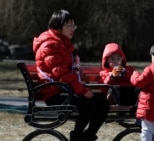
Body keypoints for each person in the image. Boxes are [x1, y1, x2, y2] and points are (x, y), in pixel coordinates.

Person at [32, 9, 110, 141]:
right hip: (54, 94)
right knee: (88, 103)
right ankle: (77, 137)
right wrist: (82, 91)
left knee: (103, 102)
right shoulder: (49, 45)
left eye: (74, 25)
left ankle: (88, 136)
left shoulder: (64, 44)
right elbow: (62, 74)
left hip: (66, 90)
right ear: (58, 25)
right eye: (69, 25)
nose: (72, 29)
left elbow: (69, 73)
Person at [99, 42, 138, 106]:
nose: (116, 62)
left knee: (138, 88)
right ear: (106, 61)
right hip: (119, 96)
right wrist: (111, 77)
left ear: (122, 59)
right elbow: (103, 87)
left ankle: (138, 104)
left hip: (130, 93)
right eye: (112, 59)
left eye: (118, 59)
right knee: (114, 88)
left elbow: (137, 78)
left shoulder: (129, 69)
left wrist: (126, 74)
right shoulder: (104, 73)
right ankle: (111, 101)